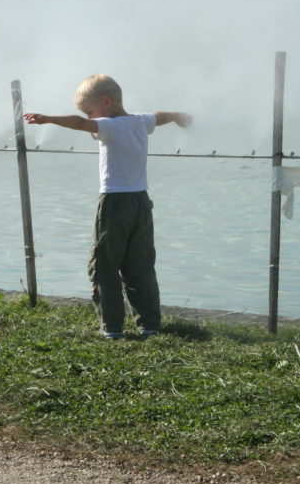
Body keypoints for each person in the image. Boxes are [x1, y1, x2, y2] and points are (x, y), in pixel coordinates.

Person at [23, 74, 192, 339]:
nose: (91, 119)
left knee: (105, 265)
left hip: (114, 203)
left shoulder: (109, 126)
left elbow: (80, 124)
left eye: (91, 111)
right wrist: (178, 115)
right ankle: (149, 324)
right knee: (140, 264)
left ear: (105, 101)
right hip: (141, 203)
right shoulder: (140, 121)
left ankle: (112, 327)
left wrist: (47, 118)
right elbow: (159, 116)